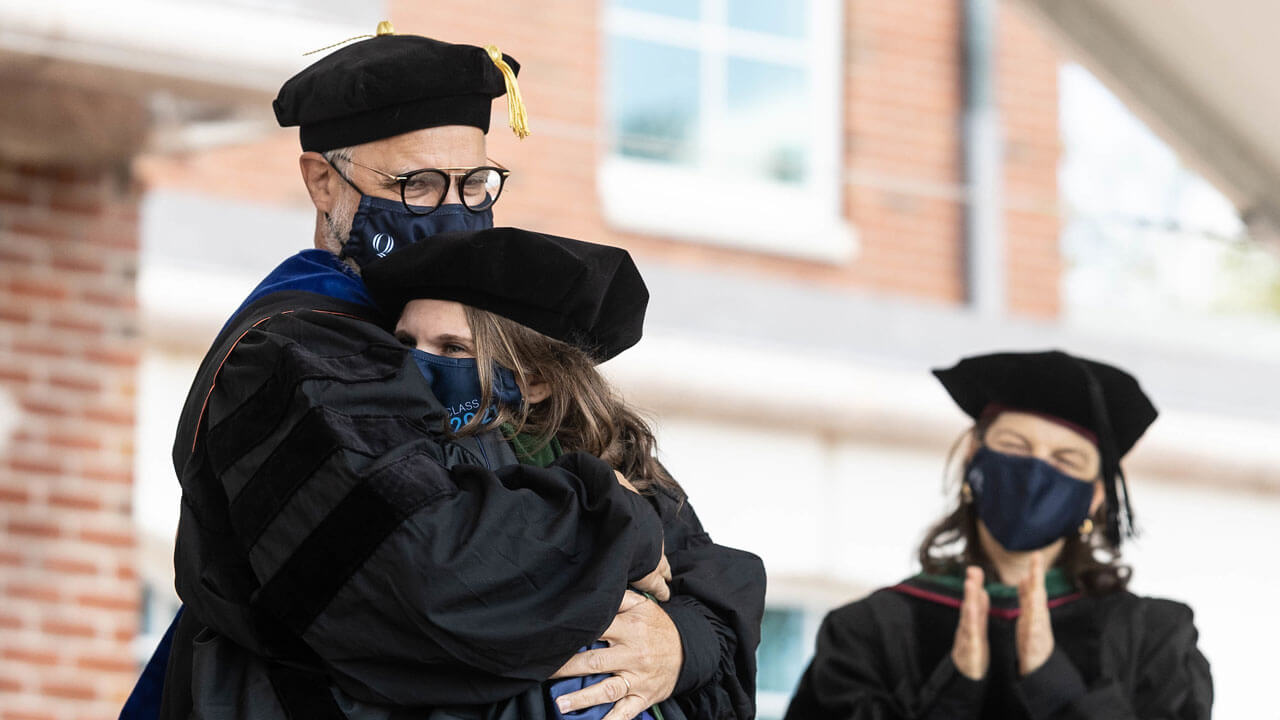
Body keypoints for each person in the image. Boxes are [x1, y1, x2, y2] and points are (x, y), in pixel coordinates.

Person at [128, 21, 754, 720]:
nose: (455, 213)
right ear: (323, 183)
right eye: (418, 184)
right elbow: (427, 571)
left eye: (475, 183)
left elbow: (708, 570)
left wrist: (679, 643)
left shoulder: (503, 342)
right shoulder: (295, 352)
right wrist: (618, 522)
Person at [360, 226, 766, 720]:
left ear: (534, 381)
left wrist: (678, 646)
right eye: (405, 342)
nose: (416, 365)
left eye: (452, 349)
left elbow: (715, 584)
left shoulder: (618, 461)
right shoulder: (389, 452)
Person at [784, 350, 1212, 720]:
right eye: (1015, 446)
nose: (1036, 472)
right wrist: (954, 694)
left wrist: (1053, 685)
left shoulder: (1154, 640)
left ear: (1096, 496)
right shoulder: (869, 631)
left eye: (1066, 459)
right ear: (974, 458)